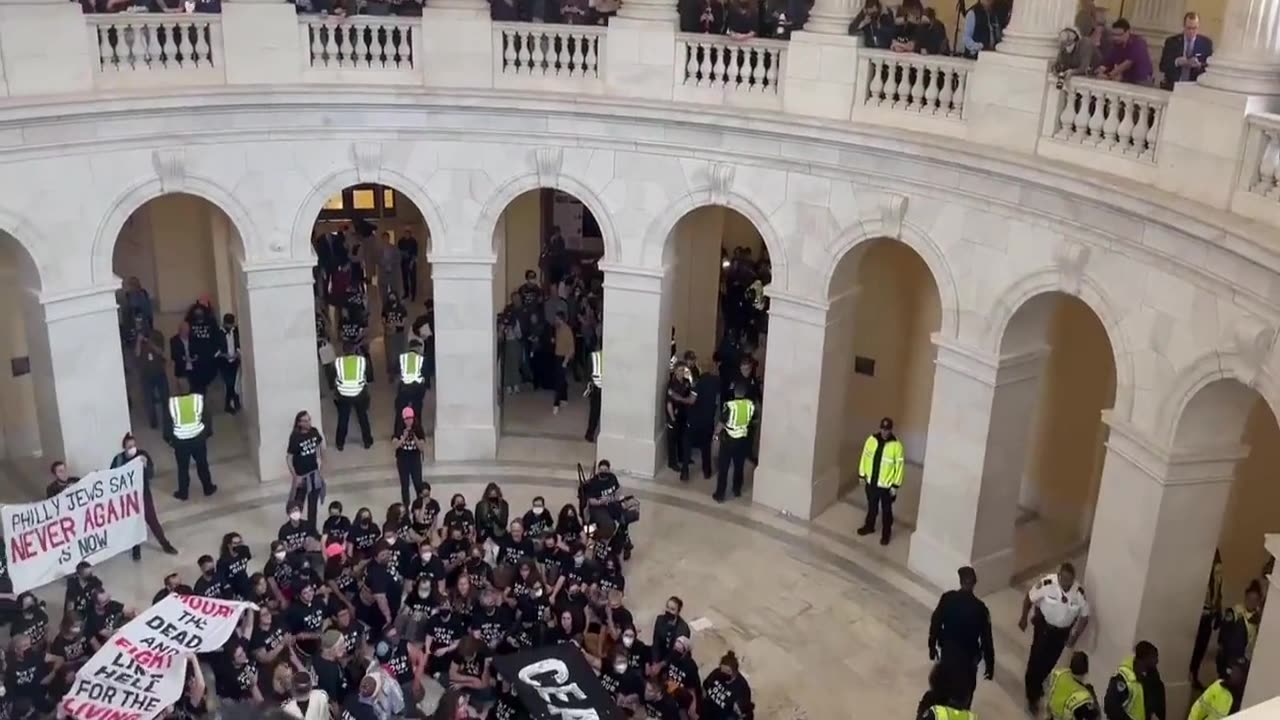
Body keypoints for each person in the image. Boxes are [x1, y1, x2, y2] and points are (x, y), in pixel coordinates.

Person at [1020, 562, 1091, 714]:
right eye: (1064, 579)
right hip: (1044, 627)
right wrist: (1024, 618)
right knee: (1036, 660)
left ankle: (1037, 683)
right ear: (1059, 576)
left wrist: (1075, 635)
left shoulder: (1078, 593)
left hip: (1062, 633)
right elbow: (1029, 598)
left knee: (1050, 662)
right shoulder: (1047, 584)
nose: (1067, 583)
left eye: (1070, 580)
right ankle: (1032, 696)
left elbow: (1085, 616)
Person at [928, 566, 994, 705]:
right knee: (965, 695)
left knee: (942, 690)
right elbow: (987, 639)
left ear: (960, 581)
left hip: (948, 654)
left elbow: (935, 623)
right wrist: (990, 665)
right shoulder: (981, 609)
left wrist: (932, 645)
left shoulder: (947, 599)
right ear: (974, 583)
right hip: (968, 660)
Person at [111, 433, 178, 558]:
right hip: (128, 497)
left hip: (143, 493)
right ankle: (136, 547)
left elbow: (150, 474)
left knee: (151, 519)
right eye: (129, 446)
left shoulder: (142, 456)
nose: (132, 448)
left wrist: (146, 466)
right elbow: (112, 477)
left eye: (133, 445)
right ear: (124, 448)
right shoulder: (119, 460)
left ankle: (165, 543)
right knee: (132, 522)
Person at [856, 417, 905, 545]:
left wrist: (895, 485)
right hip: (872, 483)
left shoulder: (896, 446)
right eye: (883, 429)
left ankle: (886, 535)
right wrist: (861, 475)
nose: (885, 432)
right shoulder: (871, 440)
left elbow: (899, 467)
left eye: (887, 429)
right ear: (880, 428)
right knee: (872, 508)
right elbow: (864, 457)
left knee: (887, 513)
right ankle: (869, 526)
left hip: (886, 487)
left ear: (891, 430)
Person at [164, 390, 217, 500]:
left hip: (180, 441)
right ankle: (208, 488)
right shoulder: (197, 399)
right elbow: (207, 417)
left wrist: (170, 440)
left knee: (183, 468)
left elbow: (167, 424)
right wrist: (206, 434)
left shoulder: (172, 403)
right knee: (202, 464)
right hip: (198, 439)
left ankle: (183, 493)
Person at [713, 384, 754, 502]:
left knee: (724, 467)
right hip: (742, 439)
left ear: (735, 393)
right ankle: (737, 490)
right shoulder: (749, 405)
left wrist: (716, 435)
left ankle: (720, 495)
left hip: (728, 440)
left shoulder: (730, 406)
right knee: (739, 466)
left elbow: (721, 422)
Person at [286, 410, 327, 530]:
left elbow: (321, 447)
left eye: (309, 419)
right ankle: (295, 529)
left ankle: (312, 530)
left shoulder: (314, 432)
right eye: (305, 420)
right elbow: (289, 457)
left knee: (313, 506)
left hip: (314, 474)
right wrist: (295, 476)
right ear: (299, 423)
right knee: (297, 505)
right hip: (301, 476)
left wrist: (322, 466)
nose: (308, 422)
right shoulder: (295, 437)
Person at [1215, 580, 1263, 679]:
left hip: (1247, 659)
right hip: (1231, 658)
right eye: (1249, 598)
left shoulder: (1260, 619)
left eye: (1255, 600)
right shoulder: (1235, 612)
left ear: (1258, 601)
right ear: (1245, 597)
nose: (1251, 602)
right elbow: (1224, 635)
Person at [1191, 550, 1224, 690]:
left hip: (1208, 614)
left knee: (1201, 648)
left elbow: (1219, 591)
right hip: (1199, 614)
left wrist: (1218, 610)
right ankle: (1189, 673)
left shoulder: (1218, 571)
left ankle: (1194, 674)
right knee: (1192, 646)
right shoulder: (1198, 569)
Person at [334, 345, 374, 451]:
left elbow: (333, 376)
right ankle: (367, 441)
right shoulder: (362, 361)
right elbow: (369, 376)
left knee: (343, 418)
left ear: (343, 351)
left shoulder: (338, 362)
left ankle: (340, 443)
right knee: (362, 417)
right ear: (354, 350)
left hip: (343, 394)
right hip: (359, 393)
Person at [1104, 641, 1158, 720]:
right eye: (1154, 657)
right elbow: (1111, 707)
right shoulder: (1123, 678)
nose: (1157, 661)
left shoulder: (1144, 678)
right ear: (1145, 658)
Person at [1158, 12, 1212, 89]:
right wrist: (1177, 62)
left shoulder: (1206, 43)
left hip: (1193, 87)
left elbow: (1209, 68)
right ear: (1184, 26)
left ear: (1198, 27)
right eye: (1189, 28)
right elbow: (1162, 66)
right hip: (1172, 85)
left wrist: (1199, 65)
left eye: (1194, 28)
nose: (1191, 31)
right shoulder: (1172, 42)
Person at [1096, 19, 1153, 84]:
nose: (1116, 38)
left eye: (1119, 35)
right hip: (1126, 79)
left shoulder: (1138, 42)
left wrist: (1109, 75)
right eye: (1114, 35)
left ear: (1128, 32)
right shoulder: (1116, 45)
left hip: (1141, 79)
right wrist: (1100, 70)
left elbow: (1127, 64)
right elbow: (1108, 61)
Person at [1048, 651, 1099, 720]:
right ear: (1085, 672)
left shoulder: (1059, 673)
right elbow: (1092, 716)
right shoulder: (1083, 696)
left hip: (1051, 714)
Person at [701, 651, 753, 720]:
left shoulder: (742, 687)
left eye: (727, 672)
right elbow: (705, 686)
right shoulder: (716, 673)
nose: (723, 674)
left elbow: (743, 713)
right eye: (722, 670)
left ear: (734, 671)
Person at [393, 407, 426, 507]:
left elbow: (421, 447)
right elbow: (395, 445)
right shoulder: (399, 430)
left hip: (414, 459)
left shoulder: (418, 429)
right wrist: (404, 437)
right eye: (406, 419)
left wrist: (414, 436)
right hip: (403, 460)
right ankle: (406, 506)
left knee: (418, 483)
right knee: (405, 484)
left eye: (410, 418)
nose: (409, 421)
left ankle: (419, 505)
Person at [396, 339, 428, 428]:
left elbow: (396, 370)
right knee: (417, 411)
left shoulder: (402, 357)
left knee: (401, 410)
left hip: (404, 387)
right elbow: (425, 374)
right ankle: (418, 432)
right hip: (417, 388)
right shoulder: (421, 359)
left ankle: (398, 433)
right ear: (417, 347)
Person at [217, 313, 242, 414]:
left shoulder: (235, 332)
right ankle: (231, 403)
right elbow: (216, 348)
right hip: (224, 362)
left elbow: (238, 344)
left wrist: (237, 353)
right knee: (229, 383)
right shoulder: (218, 333)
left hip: (234, 360)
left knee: (234, 382)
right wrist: (224, 355)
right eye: (228, 324)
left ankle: (233, 402)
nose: (230, 327)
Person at [170, 322, 199, 394]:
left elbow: (197, 350)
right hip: (182, 370)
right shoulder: (174, 340)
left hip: (194, 370)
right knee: (185, 392)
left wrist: (195, 356)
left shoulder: (193, 338)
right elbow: (174, 355)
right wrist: (185, 358)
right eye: (184, 331)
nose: (186, 332)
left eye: (187, 330)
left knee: (195, 391)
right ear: (180, 331)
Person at [585, 340, 603, 442]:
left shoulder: (593, 356)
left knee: (594, 413)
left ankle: (590, 433)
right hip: (609, 389)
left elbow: (588, 374)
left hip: (597, 388)